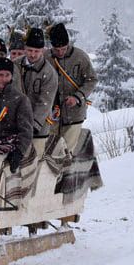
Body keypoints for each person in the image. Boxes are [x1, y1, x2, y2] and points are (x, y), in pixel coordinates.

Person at [46, 23, 97, 154]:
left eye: (63, 48)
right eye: (57, 50)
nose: (60, 52)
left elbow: (91, 80)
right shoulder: (46, 57)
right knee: (51, 151)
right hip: (52, 115)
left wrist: (77, 96)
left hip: (74, 114)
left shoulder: (80, 57)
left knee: (68, 153)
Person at [13, 27, 58, 161]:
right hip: (16, 125)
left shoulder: (49, 73)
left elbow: (45, 103)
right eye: (30, 50)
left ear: (43, 50)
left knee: (34, 162)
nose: (32, 55)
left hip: (38, 128)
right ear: (25, 48)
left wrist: (32, 127)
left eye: (36, 51)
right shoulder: (15, 65)